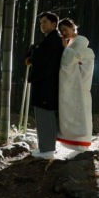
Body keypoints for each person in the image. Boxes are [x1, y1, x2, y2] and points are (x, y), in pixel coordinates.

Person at [25, 11, 64, 158]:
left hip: (46, 83)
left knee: (45, 114)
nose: (42, 25)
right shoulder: (49, 40)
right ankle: (47, 147)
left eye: (45, 22)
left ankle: (47, 149)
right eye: (40, 22)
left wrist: (33, 50)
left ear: (54, 24)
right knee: (44, 114)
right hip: (45, 83)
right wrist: (35, 50)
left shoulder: (53, 40)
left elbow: (40, 57)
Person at [56, 18, 95, 151]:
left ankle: (81, 142)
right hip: (73, 84)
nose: (64, 33)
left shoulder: (80, 43)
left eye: (65, 29)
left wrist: (64, 48)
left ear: (73, 27)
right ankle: (72, 141)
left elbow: (68, 61)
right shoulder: (72, 44)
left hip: (80, 84)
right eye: (61, 31)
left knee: (81, 111)